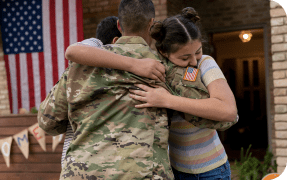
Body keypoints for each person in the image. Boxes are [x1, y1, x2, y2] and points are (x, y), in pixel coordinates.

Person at [64, 7, 237, 180]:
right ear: (163, 52)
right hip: (175, 170)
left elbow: (228, 111)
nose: (193, 61)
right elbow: (73, 52)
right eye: (184, 58)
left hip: (212, 171)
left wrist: (167, 100)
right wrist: (133, 64)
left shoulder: (206, 63)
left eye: (198, 51)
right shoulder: (152, 66)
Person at [38, 0, 174, 179]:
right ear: (152, 24)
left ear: (119, 25)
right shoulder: (165, 66)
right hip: (142, 173)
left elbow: (47, 122)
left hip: (81, 173)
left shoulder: (82, 64)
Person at [60, 16, 122, 169]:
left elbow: (48, 123)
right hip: (100, 164)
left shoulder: (74, 72)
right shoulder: (119, 72)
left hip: (73, 163)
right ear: (115, 42)